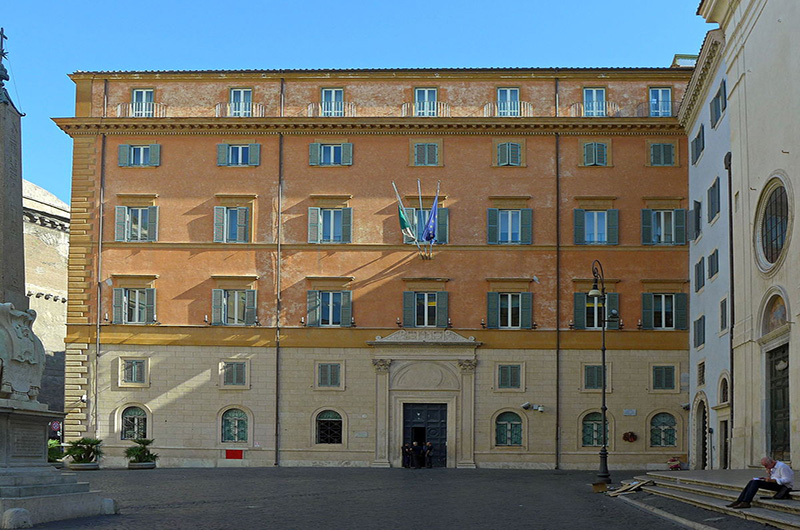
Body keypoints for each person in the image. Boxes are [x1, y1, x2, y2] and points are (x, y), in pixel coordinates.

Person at [726, 457, 794, 509]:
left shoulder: (782, 467)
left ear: (772, 462)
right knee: (752, 481)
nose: (766, 467)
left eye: (766, 466)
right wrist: (767, 477)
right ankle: (739, 500)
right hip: (776, 483)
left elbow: (787, 480)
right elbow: (774, 477)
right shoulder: (772, 467)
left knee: (756, 483)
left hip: (783, 486)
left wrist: (773, 481)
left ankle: (746, 502)